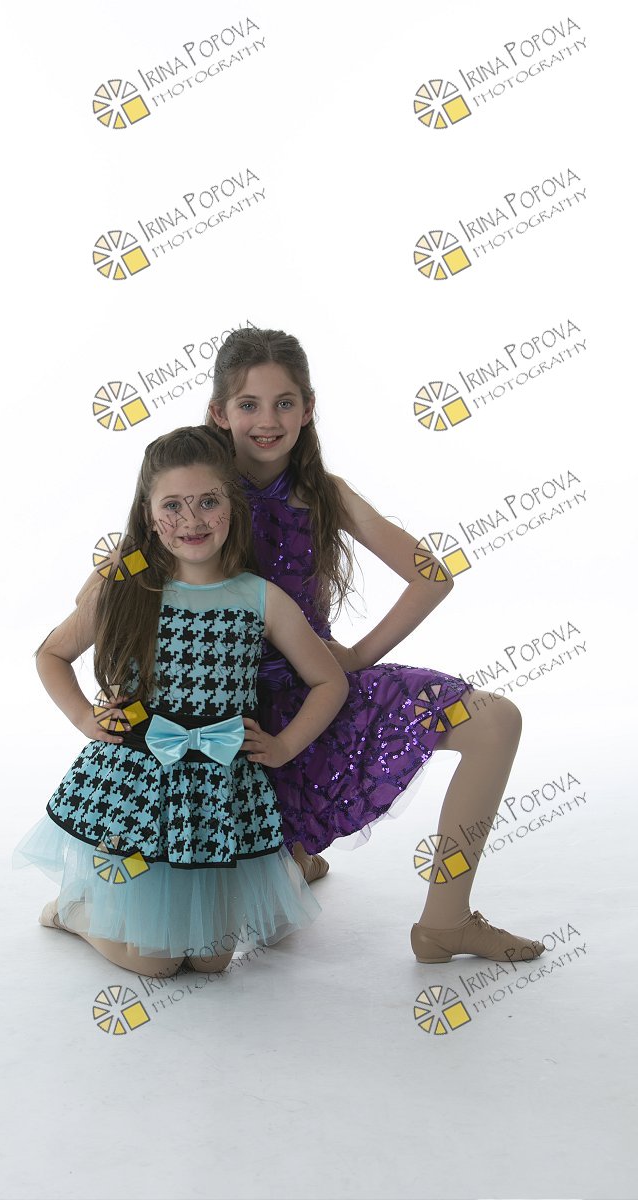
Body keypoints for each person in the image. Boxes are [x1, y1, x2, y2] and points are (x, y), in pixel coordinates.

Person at [203, 327, 545, 966]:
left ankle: (446, 920)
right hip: (231, 716)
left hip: (319, 694)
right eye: (249, 404)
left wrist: (357, 656)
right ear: (219, 413)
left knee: (494, 720)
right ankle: (291, 853)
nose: (268, 421)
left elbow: (431, 576)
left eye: (284, 403)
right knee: (226, 945)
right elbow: (120, 587)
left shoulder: (323, 493)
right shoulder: (201, 495)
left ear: (308, 409)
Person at [13, 426, 349, 978]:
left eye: (208, 502)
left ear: (232, 505)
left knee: (213, 960)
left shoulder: (258, 596)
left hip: (216, 792)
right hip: (140, 783)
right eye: (172, 506)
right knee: (157, 963)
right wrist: (83, 716)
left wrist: (285, 745)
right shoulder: (126, 586)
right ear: (148, 515)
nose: (192, 521)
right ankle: (75, 911)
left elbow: (329, 681)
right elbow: (52, 654)